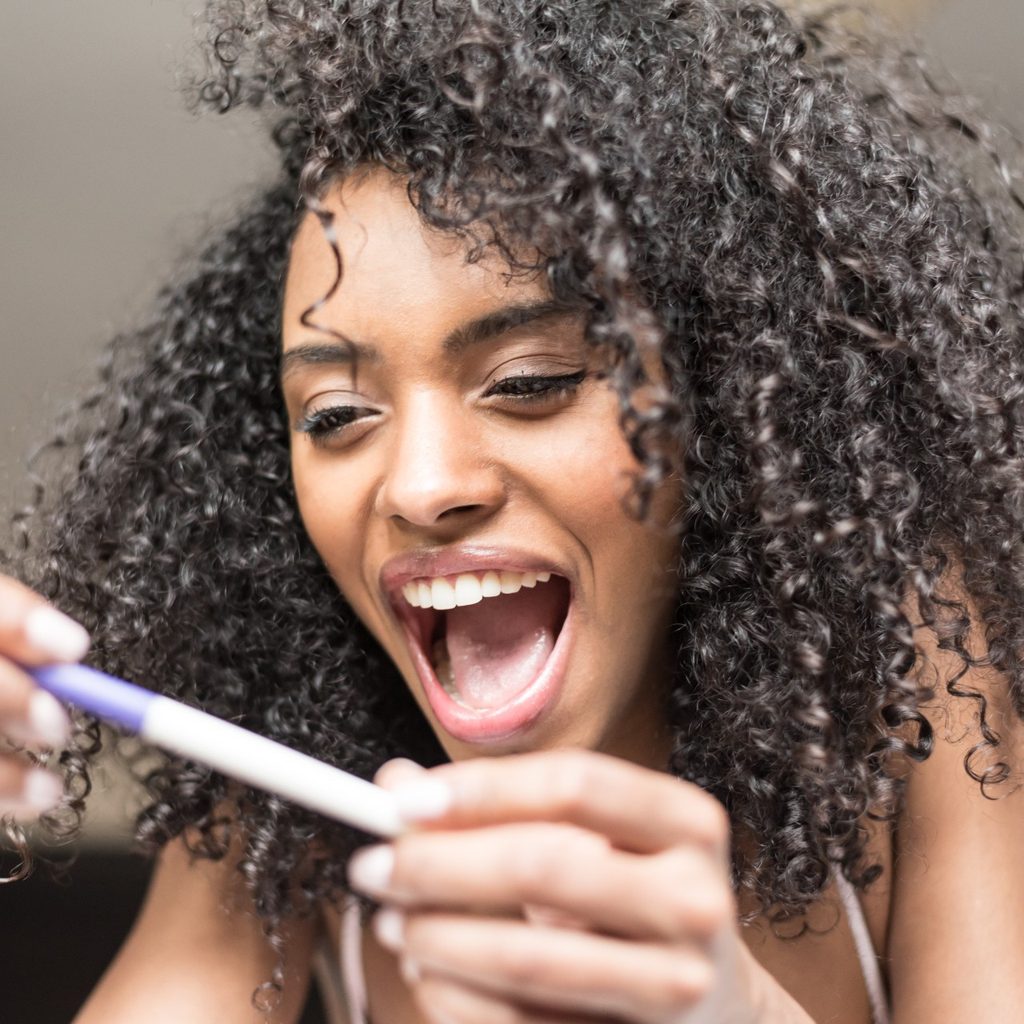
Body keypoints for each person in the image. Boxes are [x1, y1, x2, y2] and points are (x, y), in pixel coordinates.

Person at [4, 1, 1024, 1021]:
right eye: (338, 413)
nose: (420, 484)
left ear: (723, 406)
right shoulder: (288, 755)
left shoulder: (902, 673)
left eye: (530, 380)